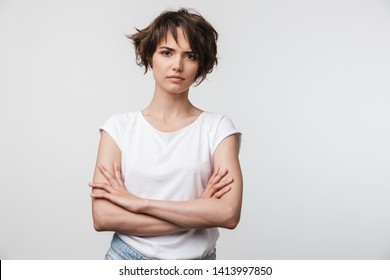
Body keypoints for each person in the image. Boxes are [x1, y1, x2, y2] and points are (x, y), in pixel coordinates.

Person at [89, 8, 243, 260]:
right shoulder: (118, 128)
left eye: (190, 55)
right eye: (166, 52)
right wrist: (198, 211)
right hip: (127, 260)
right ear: (150, 57)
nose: (177, 65)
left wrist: (138, 203)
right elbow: (103, 217)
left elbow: (228, 213)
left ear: (200, 65)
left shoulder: (218, 128)